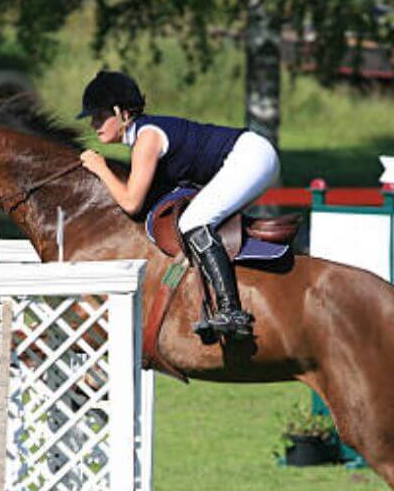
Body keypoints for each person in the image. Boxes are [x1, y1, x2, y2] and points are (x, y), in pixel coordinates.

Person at [76, 70, 279, 340]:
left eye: (99, 116)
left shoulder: (146, 139)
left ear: (122, 113)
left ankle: (232, 311)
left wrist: (100, 168)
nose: (94, 124)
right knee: (198, 219)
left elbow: (131, 202)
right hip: (250, 155)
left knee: (193, 221)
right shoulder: (144, 135)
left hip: (251, 157)